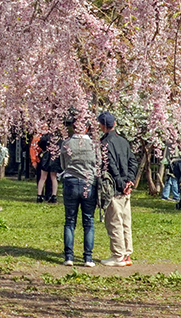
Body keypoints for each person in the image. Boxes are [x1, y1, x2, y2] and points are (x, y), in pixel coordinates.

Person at [98, 111, 137, 267]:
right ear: (114, 124)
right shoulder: (123, 141)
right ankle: (127, 253)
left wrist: (121, 184)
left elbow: (111, 167)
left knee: (114, 222)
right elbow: (133, 162)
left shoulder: (104, 144)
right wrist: (130, 181)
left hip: (114, 188)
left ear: (102, 126)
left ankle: (118, 255)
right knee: (126, 222)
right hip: (126, 188)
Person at [60, 114, 98, 267]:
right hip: (89, 182)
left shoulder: (66, 144)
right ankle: (88, 258)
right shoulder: (94, 145)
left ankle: (69, 256)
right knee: (88, 220)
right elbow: (99, 163)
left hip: (70, 181)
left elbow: (63, 164)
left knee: (70, 220)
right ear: (87, 128)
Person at [36, 129, 61, 203]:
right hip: (55, 157)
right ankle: (54, 196)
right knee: (53, 177)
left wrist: (45, 149)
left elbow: (40, 143)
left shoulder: (46, 136)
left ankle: (39, 195)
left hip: (46, 157)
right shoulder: (58, 137)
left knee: (43, 177)